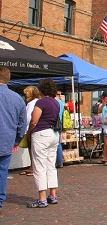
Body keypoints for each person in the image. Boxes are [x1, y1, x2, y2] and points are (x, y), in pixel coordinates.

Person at [27, 78, 60, 208]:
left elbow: (34, 120)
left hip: (41, 133)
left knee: (39, 166)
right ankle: (53, 194)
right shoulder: (56, 103)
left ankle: (42, 198)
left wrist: (29, 132)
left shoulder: (41, 102)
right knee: (50, 165)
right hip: (53, 133)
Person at [0, 67, 26, 212]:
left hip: (7, 139)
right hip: (6, 140)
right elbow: (22, 124)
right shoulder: (17, 98)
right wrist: (17, 140)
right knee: (2, 172)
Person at [21, 85, 41, 176]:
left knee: (32, 149)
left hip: (32, 129)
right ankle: (33, 167)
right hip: (38, 129)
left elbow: (28, 118)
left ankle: (33, 168)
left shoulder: (31, 103)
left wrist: (27, 130)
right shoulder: (39, 101)